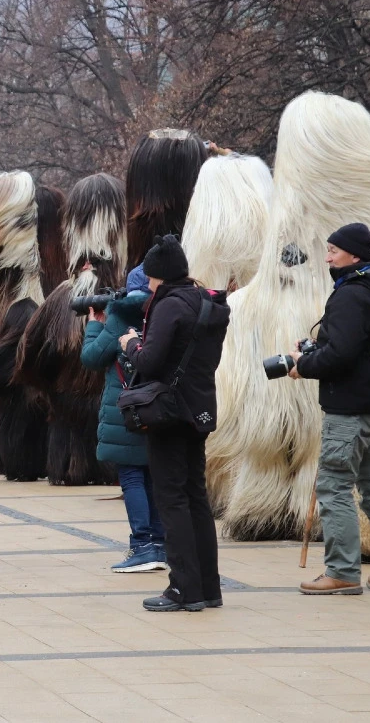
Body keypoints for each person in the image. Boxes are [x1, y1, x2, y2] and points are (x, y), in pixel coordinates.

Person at [291, 223, 370, 594]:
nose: (327, 257)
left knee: (333, 487)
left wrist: (303, 364)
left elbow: (340, 355)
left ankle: (342, 571)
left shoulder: (350, 295)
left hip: (350, 409)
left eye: (333, 250)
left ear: (354, 255)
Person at [119, 235, 230, 611]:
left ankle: (183, 588)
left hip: (168, 413)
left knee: (172, 500)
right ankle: (208, 587)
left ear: (161, 276)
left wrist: (131, 343)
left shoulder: (169, 305)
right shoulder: (205, 303)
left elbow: (149, 362)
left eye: (150, 279)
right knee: (196, 497)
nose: (148, 285)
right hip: (198, 408)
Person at [83, 265, 163, 572]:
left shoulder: (118, 316)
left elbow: (91, 358)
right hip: (159, 408)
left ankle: (141, 546)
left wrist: (94, 325)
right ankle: (159, 544)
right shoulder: (164, 312)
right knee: (154, 478)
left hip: (126, 412)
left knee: (131, 477)